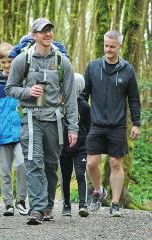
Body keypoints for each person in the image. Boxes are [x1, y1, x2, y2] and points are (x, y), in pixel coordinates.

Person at [5, 17, 78, 225]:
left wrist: (73, 127)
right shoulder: (22, 60)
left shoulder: (63, 62)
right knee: (33, 162)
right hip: (30, 118)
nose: (48, 34)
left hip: (54, 119)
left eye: (50, 30)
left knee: (50, 164)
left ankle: (47, 206)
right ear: (34, 35)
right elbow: (9, 88)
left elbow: (71, 96)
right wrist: (28, 91)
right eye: (43, 31)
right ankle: (36, 209)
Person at [83, 30, 141, 217]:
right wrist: (80, 120)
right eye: (106, 46)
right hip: (96, 124)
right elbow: (83, 96)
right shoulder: (92, 67)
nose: (108, 49)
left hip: (117, 125)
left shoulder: (127, 70)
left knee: (116, 163)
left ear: (119, 47)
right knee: (91, 163)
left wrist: (136, 123)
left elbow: (133, 99)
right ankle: (99, 191)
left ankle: (115, 204)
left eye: (112, 46)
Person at [0, 42, 28, 216]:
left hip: (20, 132)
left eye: (10, 61)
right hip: (1, 134)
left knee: (22, 164)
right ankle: (8, 203)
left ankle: (22, 200)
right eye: (4, 62)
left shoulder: (22, 80)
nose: (7, 65)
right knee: (5, 170)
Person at [60, 73, 90, 217]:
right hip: (63, 148)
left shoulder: (84, 106)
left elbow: (88, 127)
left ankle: (83, 204)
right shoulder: (61, 106)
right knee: (65, 176)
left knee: (80, 174)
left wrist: (86, 143)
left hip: (81, 148)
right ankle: (66, 205)